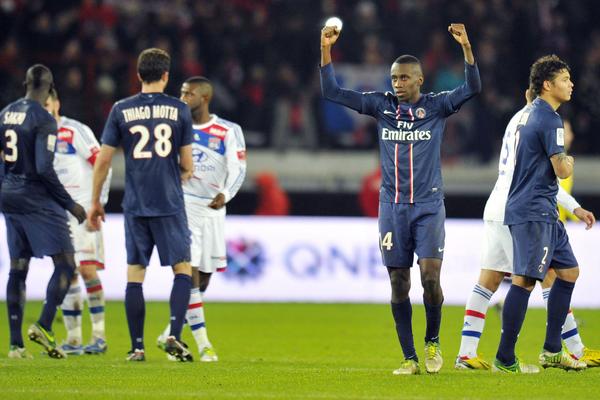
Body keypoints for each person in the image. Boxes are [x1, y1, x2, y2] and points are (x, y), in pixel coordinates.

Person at [320, 23, 481, 375]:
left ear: (419, 80)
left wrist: (467, 48)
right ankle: (409, 358)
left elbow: (472, 88)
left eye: (405, 78)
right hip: (392, 208)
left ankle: (432, 342)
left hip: (428, 206)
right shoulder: (381, 106)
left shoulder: (437, 106)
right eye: (394, 78)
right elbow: (331, 91)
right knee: (398, 282)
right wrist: (326, 49)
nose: (398, 83)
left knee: (430, 278)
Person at [456, 88, 599, 370]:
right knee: (549, 277)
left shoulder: (516, 121)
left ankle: (466, 354)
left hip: (497, 204)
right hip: (519, 209)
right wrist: (574, 206)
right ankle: (573, 350)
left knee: (489, 279)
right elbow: (537, 180)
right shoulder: (541, 123)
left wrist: (573, 207)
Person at [87, 48, 194, 362]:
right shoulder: (180, 109)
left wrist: (96, 202)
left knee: (135, 273)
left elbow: (103, 160)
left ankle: (137, 347)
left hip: (136, 203)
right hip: (169, 201)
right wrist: (181, 174)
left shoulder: (121, 109)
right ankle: (174, 333)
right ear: (166, 76)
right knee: (182, 269)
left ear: (138, 75)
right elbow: (187, 163)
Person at [493, 55, 587, 373]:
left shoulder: (532, 113)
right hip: (533, 210)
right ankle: (505, 358)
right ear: (548, 85)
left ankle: (552, 350)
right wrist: (570, 159)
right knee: (524, 282)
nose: (571, 84)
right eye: (565, 79)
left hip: (543, 210)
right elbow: (562, 169)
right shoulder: (549, 119)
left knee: (569, 272)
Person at [156, 76, 247, 362]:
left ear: (204, 98)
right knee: (189, 273)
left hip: (213, 209)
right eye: (181, 93)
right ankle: (203, 344)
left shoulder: (227, 130)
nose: (182, 98)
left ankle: (169, 334)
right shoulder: (173, 128)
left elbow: (239, 169)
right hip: (184, 206)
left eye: (189, 94)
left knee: (204, 279)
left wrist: (225, 194)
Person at [0, 64, 86, 359]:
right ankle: (45, 325)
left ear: (25, 83)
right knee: (66, 263)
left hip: (9, 195)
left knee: (18, 267)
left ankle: (15, 345)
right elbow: (43, 168)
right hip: (35, 197)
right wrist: (69, 204)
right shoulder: (44, 119)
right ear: (50, 89)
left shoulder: (6, 113)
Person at [44, 88, 112, 355]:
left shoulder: (74, 131)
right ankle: (73, 339)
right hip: (56, 215)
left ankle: (99, 336)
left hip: (83, 210)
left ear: (57, 104)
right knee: (67, 272)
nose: (44, 109)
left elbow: (102, 164)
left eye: (47, 104)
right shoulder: (38, 136)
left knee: (87, 270)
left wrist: (99, 202)